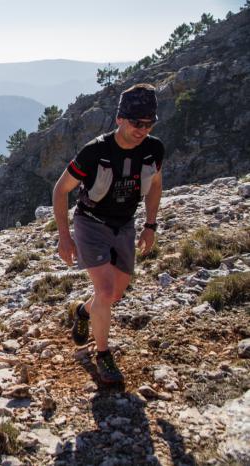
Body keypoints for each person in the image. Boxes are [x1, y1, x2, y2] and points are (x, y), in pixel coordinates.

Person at [52, 83, 164, 384]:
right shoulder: (95, 152)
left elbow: (154, 185)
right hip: (91, 224)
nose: (143, 129)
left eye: (149, 123)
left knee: (114, 293)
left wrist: (150, 225)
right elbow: (60, 190)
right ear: (119, 119)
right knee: (104, 290)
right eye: (136, 122)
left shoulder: (154, 150)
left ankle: (83, 312)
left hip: (125, 225)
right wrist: (65, 236)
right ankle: (103, 356)